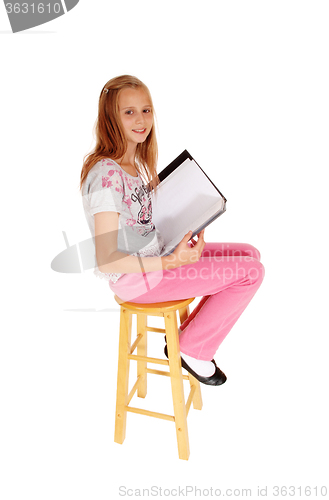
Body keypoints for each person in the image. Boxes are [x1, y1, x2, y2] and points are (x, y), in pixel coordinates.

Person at [80, 75, 265, 386]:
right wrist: (171, 262)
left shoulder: (133, 165)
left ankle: (191, 336)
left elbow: (140, 223)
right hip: (138, 280)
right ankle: (192, 348)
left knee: (250, 254)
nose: (141, 120)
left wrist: (179, 232)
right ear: (110, 117)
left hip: (156, 257)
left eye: (146, 110)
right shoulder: (105, 176)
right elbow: (107, 260)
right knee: (251, 272)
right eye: (129, 112)